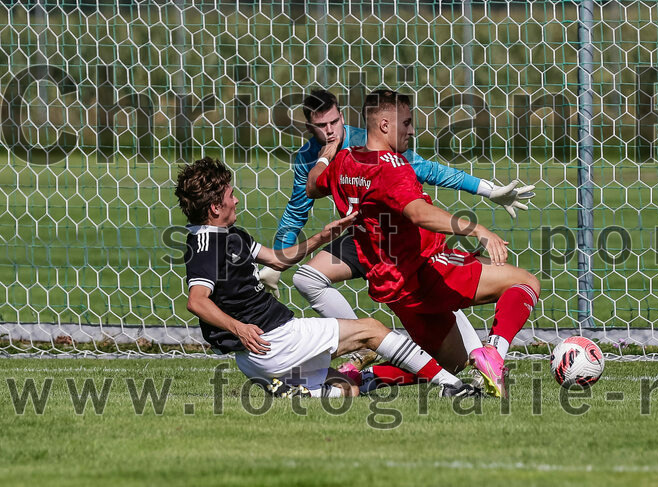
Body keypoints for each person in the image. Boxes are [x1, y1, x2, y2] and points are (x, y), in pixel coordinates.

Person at [261, 89, 534, 359]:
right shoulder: (313, 157)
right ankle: (364, 342)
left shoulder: (368, 143)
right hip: (366, 241)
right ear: (309, 127)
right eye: (322, 126)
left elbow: (428, 170)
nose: (330, 131)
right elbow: (298, 207)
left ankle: (460, 351)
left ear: (343, 116)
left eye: (334, 122)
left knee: (447, 338)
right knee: (306, 278)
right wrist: (278, 259)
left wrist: (486, 189)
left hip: (396, 244)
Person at [175, 156, 479, 398]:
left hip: (259, 357)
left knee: (348, 390)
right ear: (215, 207)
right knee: (372, 330)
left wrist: (322, 237)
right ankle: (452, 383)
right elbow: (197, 301)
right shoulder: (205, 246)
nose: (236, 200)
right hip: (275, 339)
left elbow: (278, 260)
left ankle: (296, 393)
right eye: (231, 196)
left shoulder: (230, 235)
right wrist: (237, 327)